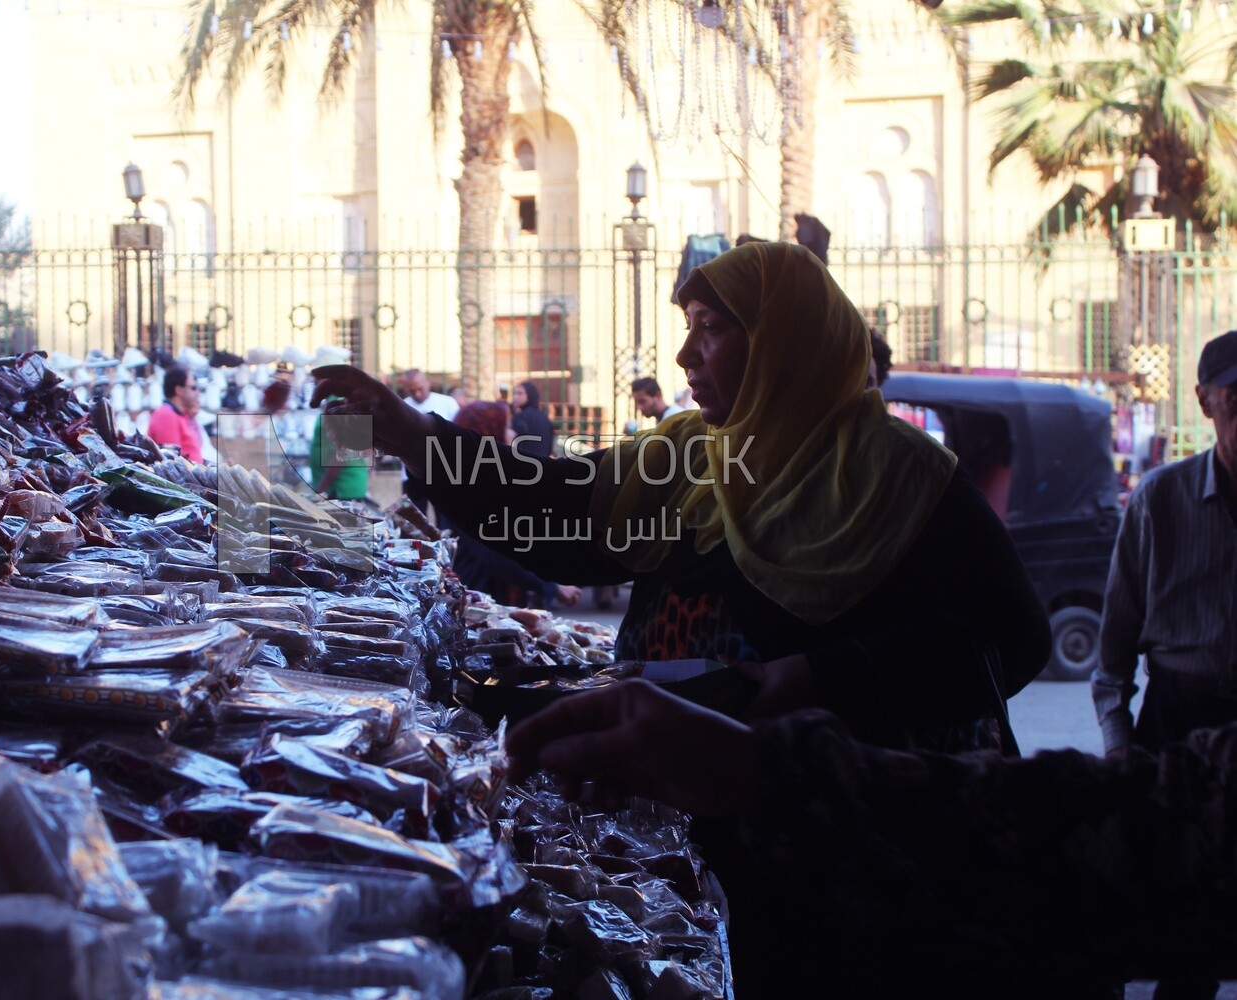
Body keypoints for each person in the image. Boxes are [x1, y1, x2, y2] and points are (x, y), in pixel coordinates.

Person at [311, 241, 1049, 754]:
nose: (686, 354)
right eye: (688, 328)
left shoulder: (903, 477)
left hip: (853, 835)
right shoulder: (688, 454)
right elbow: (560, 507)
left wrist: (819, 679)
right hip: (682, 800)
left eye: (714, 328)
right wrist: (413, 435)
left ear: (784, 342)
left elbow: (1008, 640)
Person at [504, 678, 1237, 999]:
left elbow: (1157, 838)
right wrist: (765, 771)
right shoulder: (701, 465)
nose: (693, 351)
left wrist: (794, 744)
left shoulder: (907, 478)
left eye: (737, 344)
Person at [1094, 331, 1237, 1000]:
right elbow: (1114, 648)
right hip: (1178, 725)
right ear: (1206, 404)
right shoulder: (1160, 499)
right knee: (1184, 927)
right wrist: (1121, 742)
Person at [442, 402, 580, 610]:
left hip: (491, 596)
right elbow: (494, 553)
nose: (512, 433)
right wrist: (550, 586)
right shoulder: (469, 485)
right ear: (487, 434)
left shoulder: (481, 476)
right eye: (506, 426)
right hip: (481, 601)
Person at [397, 368, 459, 518]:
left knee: (448, 521)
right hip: (411, 475)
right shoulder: (401, 406)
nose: (417, 394)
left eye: (420, 389)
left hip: (444, 474)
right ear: (405, 388)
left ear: (428, 383)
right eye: (412, 391)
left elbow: (460, 434)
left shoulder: (448, 403)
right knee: (413, 524)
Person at [309, 398, 370, 501]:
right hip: (342, 488)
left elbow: (340, 455)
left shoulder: (338, 405)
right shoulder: (332, 403)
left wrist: (320, 490)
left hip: (344, 490)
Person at [146, 364, 204, 459]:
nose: (197, 392)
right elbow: (172, 461)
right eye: (193, 388)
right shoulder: (166, 416)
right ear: (179, 390)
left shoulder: (182, 415)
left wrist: (192, 418)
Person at [510, 380, 556, 459]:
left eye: (520, 393)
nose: (515, 397)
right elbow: (550, 447)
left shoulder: (521, 417)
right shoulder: (545, 418)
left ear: (530, 395)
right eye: (515, 393)